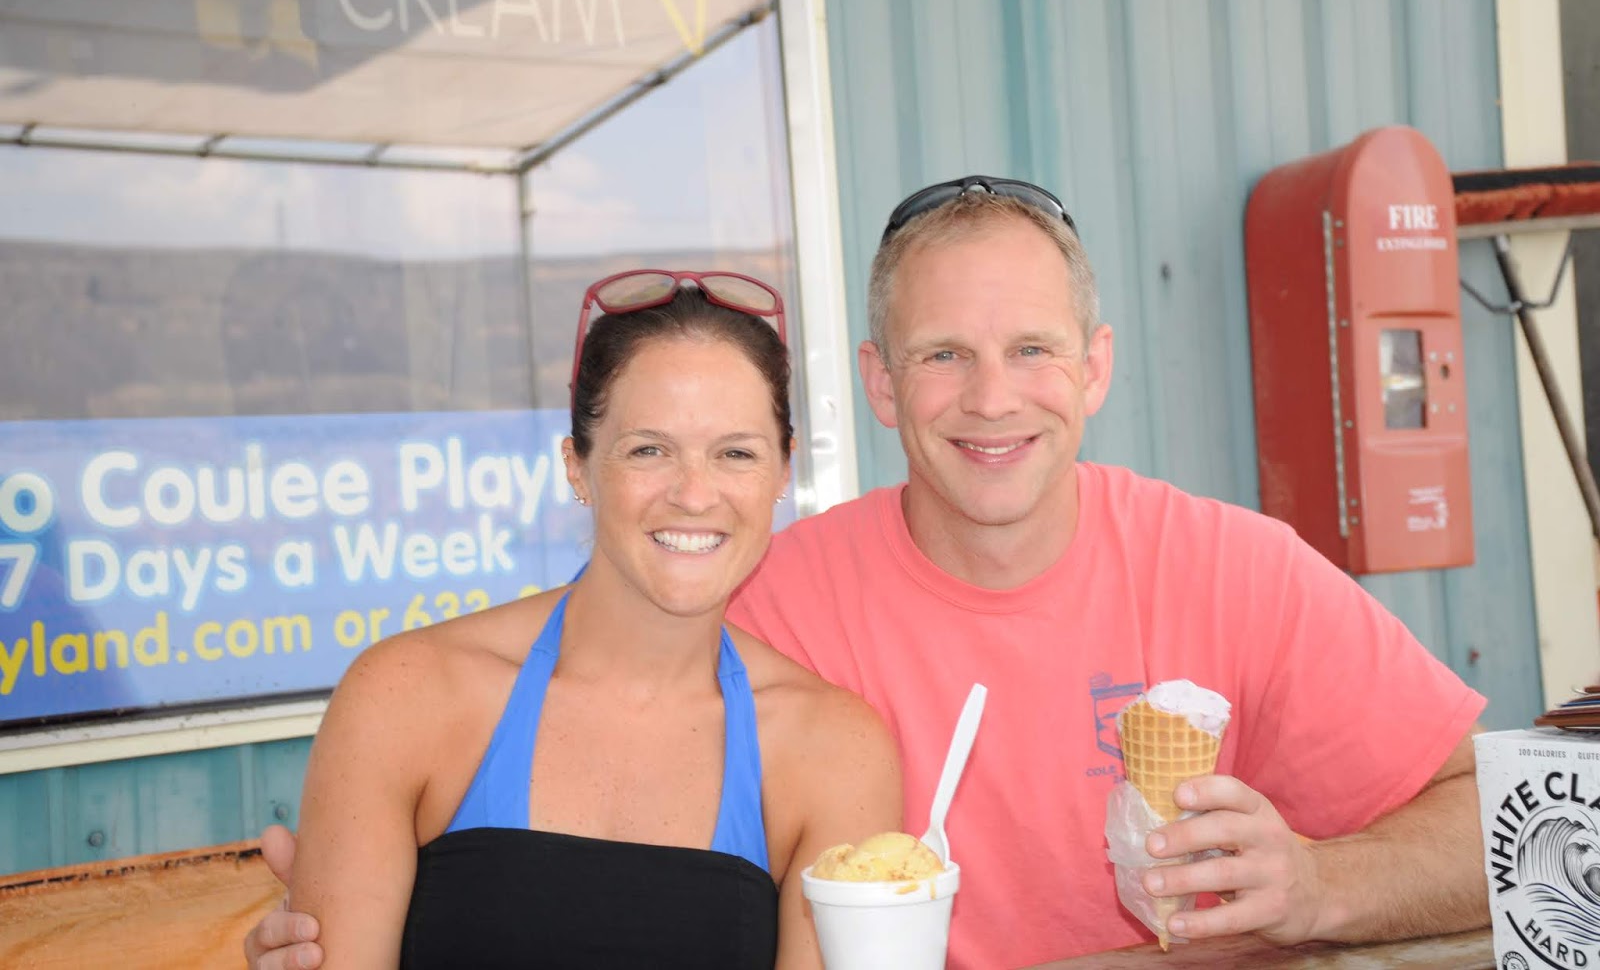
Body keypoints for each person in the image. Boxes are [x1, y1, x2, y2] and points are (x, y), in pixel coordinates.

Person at [248, 178, 1488, 970]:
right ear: (881, 384)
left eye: (1032, 349)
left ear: (1095, 366)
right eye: (942, 355)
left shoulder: (1233, 572)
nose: (991, 398)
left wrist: (1316, 887)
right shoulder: (755, 599)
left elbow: (1513, 831)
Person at [278, 272, 901, 969]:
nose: (695, 495)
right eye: (648, 449)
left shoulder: (833, 752)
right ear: (577, 466)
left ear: (783, 471)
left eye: (736, 453)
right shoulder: (406, 696)